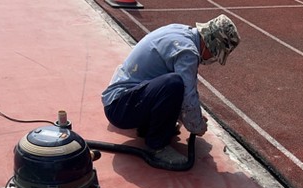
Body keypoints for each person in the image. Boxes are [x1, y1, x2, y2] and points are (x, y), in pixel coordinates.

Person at [101, 15, 240, 165]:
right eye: (214, 53)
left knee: (173, 84)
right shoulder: (188, 52)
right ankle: (157, 146)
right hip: (120, 108)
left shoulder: (180, 31)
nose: (212, 58)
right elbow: (188, 95)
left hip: (123, 99)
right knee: (175, 83)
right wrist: (197, 125)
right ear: (211, 45)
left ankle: (148, 128)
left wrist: (191, 117)